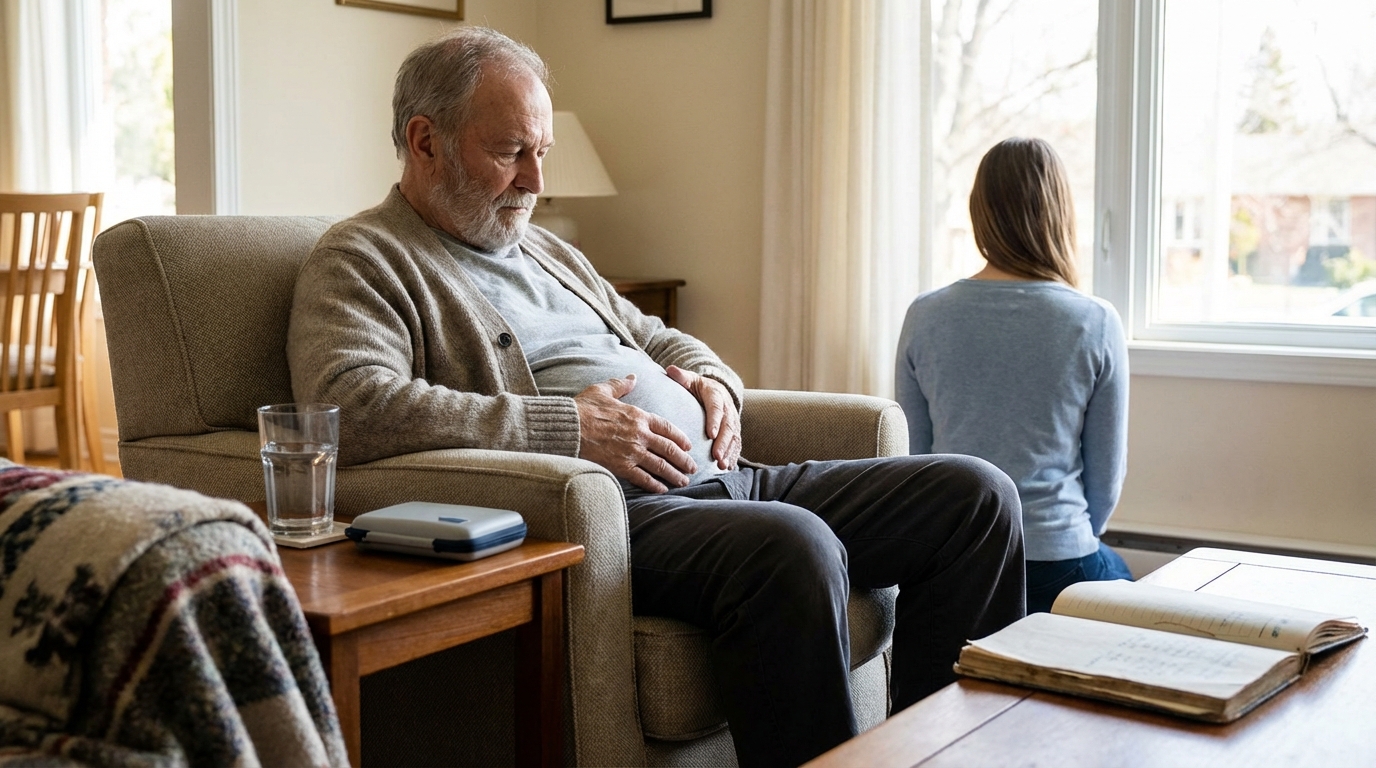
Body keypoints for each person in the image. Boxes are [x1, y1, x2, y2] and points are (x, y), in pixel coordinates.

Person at [287, 26, 1025, 767]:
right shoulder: (364, 257)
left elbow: (659, 336)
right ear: (425, 141)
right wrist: (568, 427)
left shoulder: (548, 250)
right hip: (620, 512)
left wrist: (716, 385)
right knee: (790, 547)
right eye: (511, 153)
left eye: (541, 153)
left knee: (976, 498)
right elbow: (350, 405)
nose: (535, 182)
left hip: (729, 479)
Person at [894, 137, 1131, 616]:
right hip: (1058, 561)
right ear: (1060, 213)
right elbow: (1104, 486)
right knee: (1129, 589)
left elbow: (917, 461)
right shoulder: (1096, 321)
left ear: (980, 211)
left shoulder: (925, 315)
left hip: (957, 563)